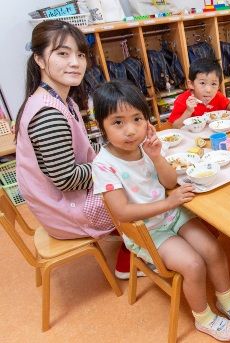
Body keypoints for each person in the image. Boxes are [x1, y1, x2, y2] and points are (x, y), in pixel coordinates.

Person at [92, 81, 230, 341]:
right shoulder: (102, 165)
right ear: (101, 126)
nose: (131, 130)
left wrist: (156, 156)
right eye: (118, 122)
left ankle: (226, 301)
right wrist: (169, 203)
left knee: (212, 248)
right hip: (147, 232)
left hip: (171, 216)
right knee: (193, 264)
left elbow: (168, 183)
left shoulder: (146, 147)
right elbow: (122, 213)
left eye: (137, 119)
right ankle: (203, 318)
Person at [14, 20, 135, 279]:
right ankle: (130, 257)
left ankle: (128, 233)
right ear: (39, 59)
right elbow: (67, 180)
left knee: (129, 174)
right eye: (62, 53)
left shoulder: (56, 98)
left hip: (57, 204)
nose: (75, 62)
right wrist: (115, 164)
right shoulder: (49, 113)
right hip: (65, 211)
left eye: (80, 54)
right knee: (140, 186)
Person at [168, 58, 230, 127]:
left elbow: (227, 105)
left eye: (213, 84)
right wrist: (188, 111)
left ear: (219, 86)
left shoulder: (217, 96)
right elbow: (175, 126)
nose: (208, 90)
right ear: (191, 84)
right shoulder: (182, 100)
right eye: (202, 83)